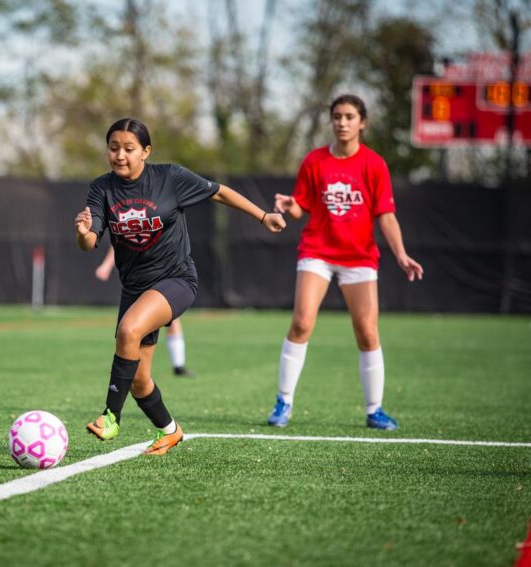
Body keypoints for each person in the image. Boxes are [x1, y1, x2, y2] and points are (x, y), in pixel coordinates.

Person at [75, 117, 286, 455]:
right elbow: (90, 242)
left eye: (129, 149)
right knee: (139, 380)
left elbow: (219, 193)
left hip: (176, 280)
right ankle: (170, 430)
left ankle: (110, 416)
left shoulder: (169, 177)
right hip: (134, 287)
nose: (120, 155)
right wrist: (83, 232)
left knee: (128, 330)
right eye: (113, 148)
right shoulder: (102, 188)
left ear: (146, 151)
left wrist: (262, 216)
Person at [266, 94, 423, 431]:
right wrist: (288, 205)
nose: (342, 122)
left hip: (359, 257)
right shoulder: (314, 161)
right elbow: (300, 208)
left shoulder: (374, 164)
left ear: (362, 122)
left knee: (367, 333)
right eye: (337, 116)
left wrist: (401, 254)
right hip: (317, 252)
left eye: (350, 116)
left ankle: (374, 410)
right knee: (302, 322)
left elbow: (387, 216)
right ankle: (283, 402)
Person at [95, 245, 195, 377]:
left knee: (172, 317)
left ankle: (178, 365)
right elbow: (118, 241)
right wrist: (106, 265)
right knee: (131, 329)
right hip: (140, 275)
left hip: (166, 270)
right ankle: (141, 370)